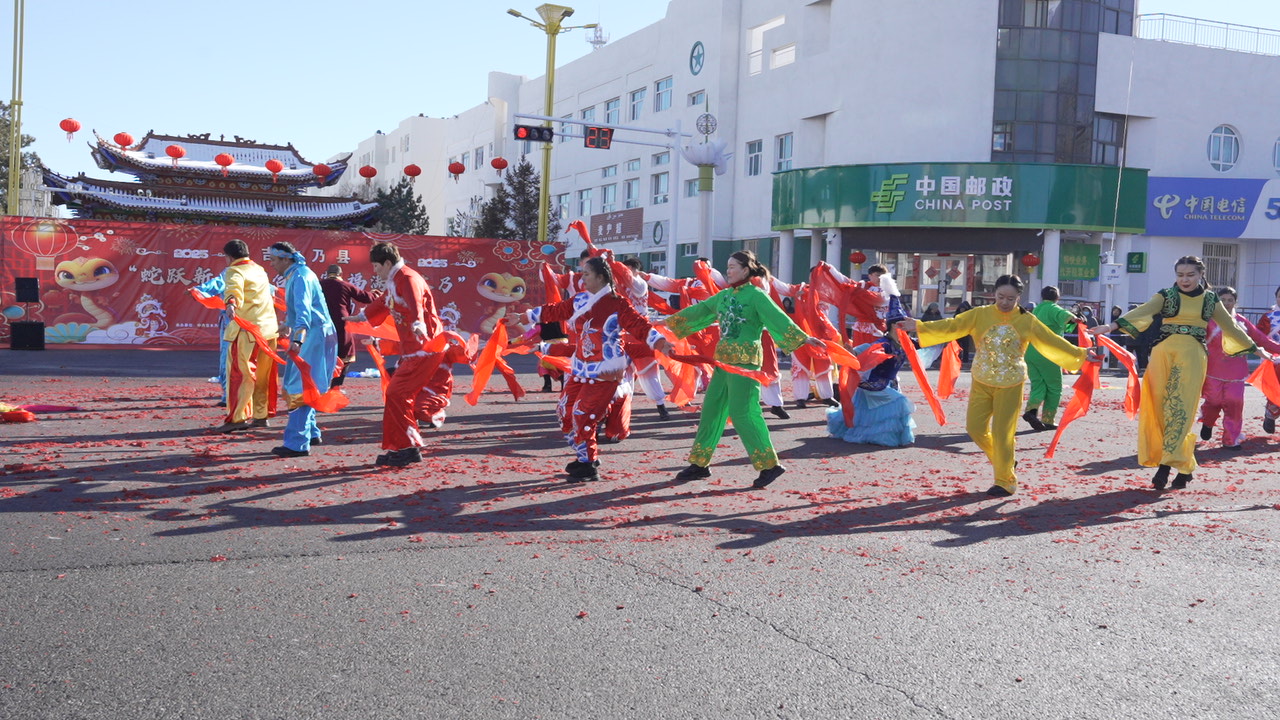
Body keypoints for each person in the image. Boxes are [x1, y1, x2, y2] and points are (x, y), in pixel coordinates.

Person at [899, 275, 1096, 497]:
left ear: (1018, 297)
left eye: (1010, 299)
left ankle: (1005, 481)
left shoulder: (1027, 320)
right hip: (981, 380)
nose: (1004, 302)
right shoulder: (979, 314)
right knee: (975, 429)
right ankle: (1006, 461)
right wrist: (919, 326)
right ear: (994, 294)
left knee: (1003, 434)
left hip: (1011, 383)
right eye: (1001, 297)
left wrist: (1080, 353)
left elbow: (1050, 340)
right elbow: (952, 325)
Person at [1089, 257, 1265, 490]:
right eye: (1180, 275)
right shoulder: (1166, 296)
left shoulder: (1210, 300)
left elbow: (1231, 327)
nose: (1185, 279)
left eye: (1190, 275)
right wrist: (1109, 327)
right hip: (1163, 355)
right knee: (1159, 408)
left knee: (1181, 410)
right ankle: (1184, 466)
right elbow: (1143, 311)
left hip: (1192, 357)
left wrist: (1257, 349)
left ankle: (1165, 466)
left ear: (1201, 274)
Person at [663, 250, 826, 489]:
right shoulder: (724, 296)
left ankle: (769, 465)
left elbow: (777, 318)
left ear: (746, 270)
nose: (728, 271)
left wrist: (803, 338)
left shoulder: (757, 295)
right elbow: (700, 311)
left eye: (732, 267)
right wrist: (665, 325)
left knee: (744, 413)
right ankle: (699, 463)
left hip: (746, 364)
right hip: (723, 362)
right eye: (727, 267)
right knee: (711, 410)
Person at [522, 256, 668, 482]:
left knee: (583, 415)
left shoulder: (618, 304)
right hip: (581, 368)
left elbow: (639, 325)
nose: (583, 278)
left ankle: (588, 466)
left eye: (587, 274)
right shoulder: (580, 300)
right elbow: (556, 310)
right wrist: (523, 317)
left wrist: (659, 341)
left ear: (600, 277)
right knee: (564, 412)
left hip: (606, 372)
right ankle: (587, 456)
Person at [343, 242, 444, 467]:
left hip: (424, 348)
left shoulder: (407, 278)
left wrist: (418, 323)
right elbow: (382, 303)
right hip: (414, 350)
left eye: (376, 266)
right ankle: (402, 447)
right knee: (396, 395)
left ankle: (407, 448)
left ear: (387, 263)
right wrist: (360, 317)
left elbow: (416, 303)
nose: (375, 271)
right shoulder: (396, 279)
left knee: (397, 394)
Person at [266, 243, 338, 458]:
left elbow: (304, 311)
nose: (271, 264)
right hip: (316, 332)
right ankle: (311, 432)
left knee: (300, 385)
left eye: (274, 260)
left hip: (313, 335)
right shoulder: (299, 274)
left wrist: (298, 339)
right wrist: (287, 324)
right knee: (308, 381)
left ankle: (297, 443)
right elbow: (299, 310)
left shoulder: (299, 277)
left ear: (285, 259)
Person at [1198, 287, 1280, 450]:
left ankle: (1231, 440)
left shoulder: (1241, 322)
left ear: (1235, 302)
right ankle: (1207, 422)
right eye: (1223, 300)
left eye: (1230, 300)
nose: (1227, 303)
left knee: (1235, 404)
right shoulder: (1208, 321)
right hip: (1213, 371)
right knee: (1213, 402)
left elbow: (1261, 339)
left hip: (1236, 372)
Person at [214, 239, 278, 434]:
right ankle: (260, 415)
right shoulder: (260, 269)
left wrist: (231, 303)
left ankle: (237, 418)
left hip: (247, 330)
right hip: (268, 330)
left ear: (229, 257)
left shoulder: (234, 271)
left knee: (240, 375)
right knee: (263, 375)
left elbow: (234, 289)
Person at [826, 315, 916, 447]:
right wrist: (854, 352)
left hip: (889, 384)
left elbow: (926, 342)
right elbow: (870, 348)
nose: (906, 326)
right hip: (873, 384)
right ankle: (880, 437)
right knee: (900, 402)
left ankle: (871, 434)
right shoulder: (885, 343)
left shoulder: (906, 342)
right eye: (902, 323)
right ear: (893, 325)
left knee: (868, 414)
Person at [1021, 286, 1076, 432]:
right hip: (1047, 354)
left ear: (1042, 296)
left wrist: (1071, 321)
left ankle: (1031, 411)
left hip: (1031, 352)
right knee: (1054, 387)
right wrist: (1075, 318)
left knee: (1038, 384)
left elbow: (1065, 326)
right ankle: (1048, 419)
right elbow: (1064, 316)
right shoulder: (1053, 308)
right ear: (1057, 297)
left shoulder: (1037, 310)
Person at [318, 264, 373, 388]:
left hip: (322, 324)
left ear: (327, 274)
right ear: (340, 274)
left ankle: (321, 385)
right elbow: (365, 297)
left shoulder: (319, 285)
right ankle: (335, 386)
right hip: (341, 322)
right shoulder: (345, 285)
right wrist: (375, 294)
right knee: (345, 354)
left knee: (322, 354)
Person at [1254, 285, 1280, 433]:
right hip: (1273, 360)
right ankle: (1271, 415)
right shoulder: (1268, 317)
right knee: (1275, 390)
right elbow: (1258, 336)